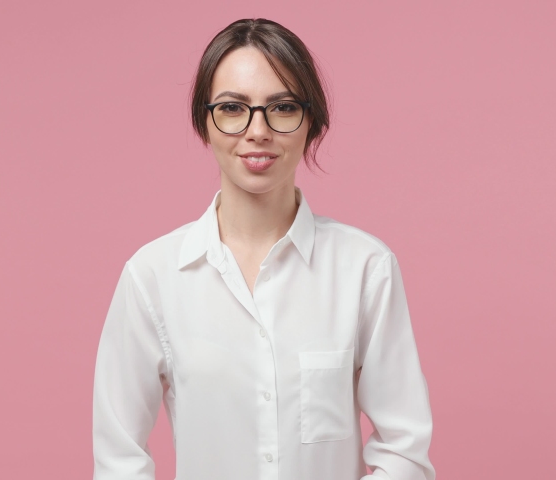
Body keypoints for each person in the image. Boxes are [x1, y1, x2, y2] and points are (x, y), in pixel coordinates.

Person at [92, 18, 435, 480]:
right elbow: (118, 460)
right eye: (233, 108)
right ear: (204, 122)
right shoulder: (152, 276)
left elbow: (405, 452)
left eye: (283, 107)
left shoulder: (365, 269)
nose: (258, 131)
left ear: (311, 121)